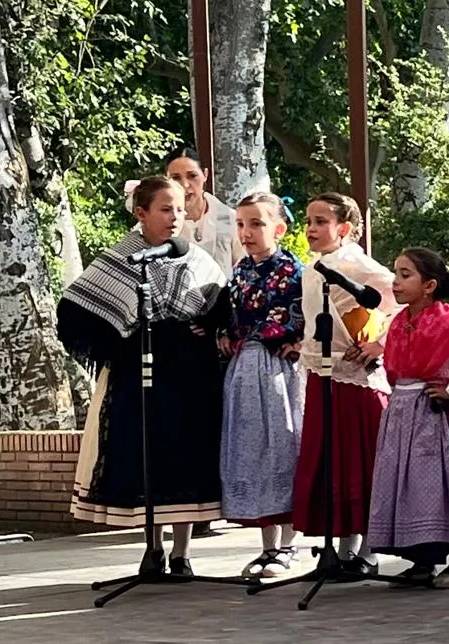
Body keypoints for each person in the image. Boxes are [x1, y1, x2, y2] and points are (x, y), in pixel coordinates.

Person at [61, 176, 228, 576]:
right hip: (140, 372)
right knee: (147, 455)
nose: (176, 217)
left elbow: (221, 303)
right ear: (141, 213)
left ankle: (183, 553)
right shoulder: (120, 258)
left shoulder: (198, 257)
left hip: (190, 374)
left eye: (180, 209)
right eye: (166, 209)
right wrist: (117, 343)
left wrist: (210, 324)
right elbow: (75, 308)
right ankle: (152, 548)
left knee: (187, 457)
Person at [368, 248, 449, 588]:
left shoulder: (443, 319)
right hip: (404, 415)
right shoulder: (400, 322)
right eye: (396, 273)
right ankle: (422, 559)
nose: (395, 282)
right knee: (411, 488)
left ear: (429, 285)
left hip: (437, 418)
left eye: (404, 275)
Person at [290, 192, 400, 577]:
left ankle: (368, 551)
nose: (311, 229)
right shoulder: (313, 268)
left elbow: (399, 296)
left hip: (355, 380)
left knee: (359, 460)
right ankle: (340, 550)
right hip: (322, 373)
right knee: (331, 461)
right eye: (308, 221)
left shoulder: (354, 262)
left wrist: (380, 343)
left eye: (321, 221)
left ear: (345, 228)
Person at [219, 192, 306, 578]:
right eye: (241, 224)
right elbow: (229, 313)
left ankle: (289, 544)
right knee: (249, 450)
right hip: (243, 368)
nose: (247, 232)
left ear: (279, 228)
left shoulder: (292, 270)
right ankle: (267, 545)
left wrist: (290, 339)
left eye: (256, 223)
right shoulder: (239, 271)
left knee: (281, 448)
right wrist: (223, 333)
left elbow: (299, 315)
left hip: (276, 369)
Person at [162, 146, 244, 277]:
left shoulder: (229, 218)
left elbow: (245, 267)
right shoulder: (158, 221)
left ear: (205, 175)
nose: (185, 185)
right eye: (176, 178)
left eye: (192, 176)